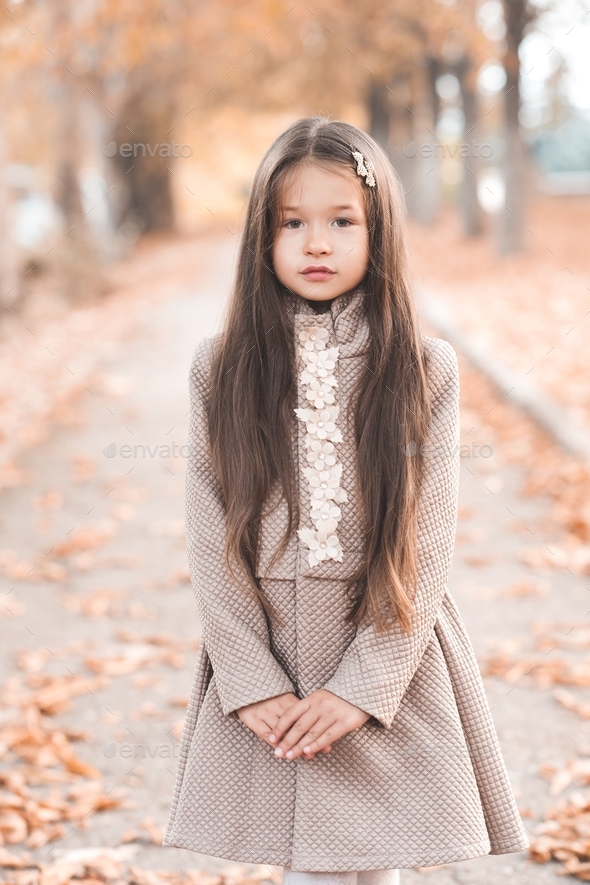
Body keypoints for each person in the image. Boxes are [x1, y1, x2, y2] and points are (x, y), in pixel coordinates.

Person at [162, 116, 529, 885]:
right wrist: (249, 676)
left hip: (387, 650)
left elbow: (423, 548)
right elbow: (208, 533)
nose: (316, 243)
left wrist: (365, 684)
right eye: (291, 223)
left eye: (341, 221)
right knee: (315, 870)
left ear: (378, 231)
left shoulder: (423, 368)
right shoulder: (220, 367)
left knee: (379, 864)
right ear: (261, 237)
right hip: (275, 657)